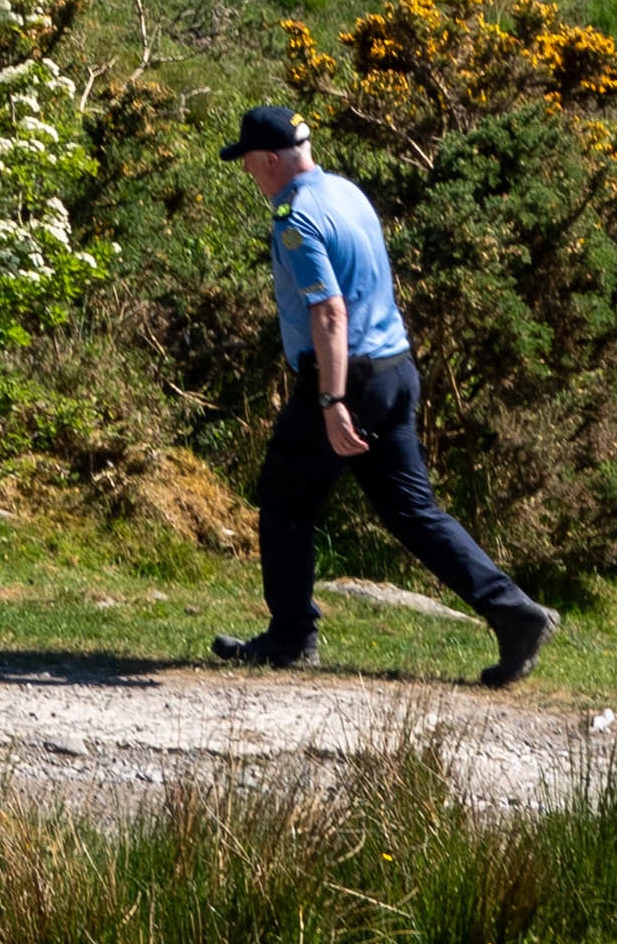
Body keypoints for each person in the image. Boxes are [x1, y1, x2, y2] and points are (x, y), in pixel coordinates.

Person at [207, 104, 559, 688]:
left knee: (284, 500)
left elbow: (329, 310)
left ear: (270, 160)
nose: (249, 174)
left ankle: (293, 636)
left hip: (349, 379)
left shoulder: (295, 218)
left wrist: (331, 400)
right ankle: (514, 613)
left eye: (249, 163)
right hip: (396, 368)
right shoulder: (347, 192)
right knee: (412, 511)